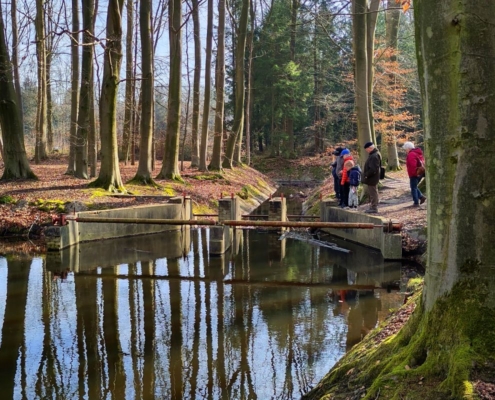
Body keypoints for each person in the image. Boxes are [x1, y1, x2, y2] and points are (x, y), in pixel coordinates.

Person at [403, 141, 427, 207]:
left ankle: (416, 202)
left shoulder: (411, 154)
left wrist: (414, 174)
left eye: (406, 149)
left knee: (413, 187)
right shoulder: (418, 153)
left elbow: (412, 165)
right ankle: (421, 197)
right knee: (414, 186)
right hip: (420, 172)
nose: (405, 150)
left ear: (408, 148)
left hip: (415, 173)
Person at [362, 141, 381, 213]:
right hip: (372, 177)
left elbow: (373, 169)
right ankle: (373, 206)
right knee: (373, 192)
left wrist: (366, 175)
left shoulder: (374, 156)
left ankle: (374, 207)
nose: (366, 151)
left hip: (372, 177)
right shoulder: (374, 155)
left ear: (370, 148)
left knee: (373, 192)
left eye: (367, 149)